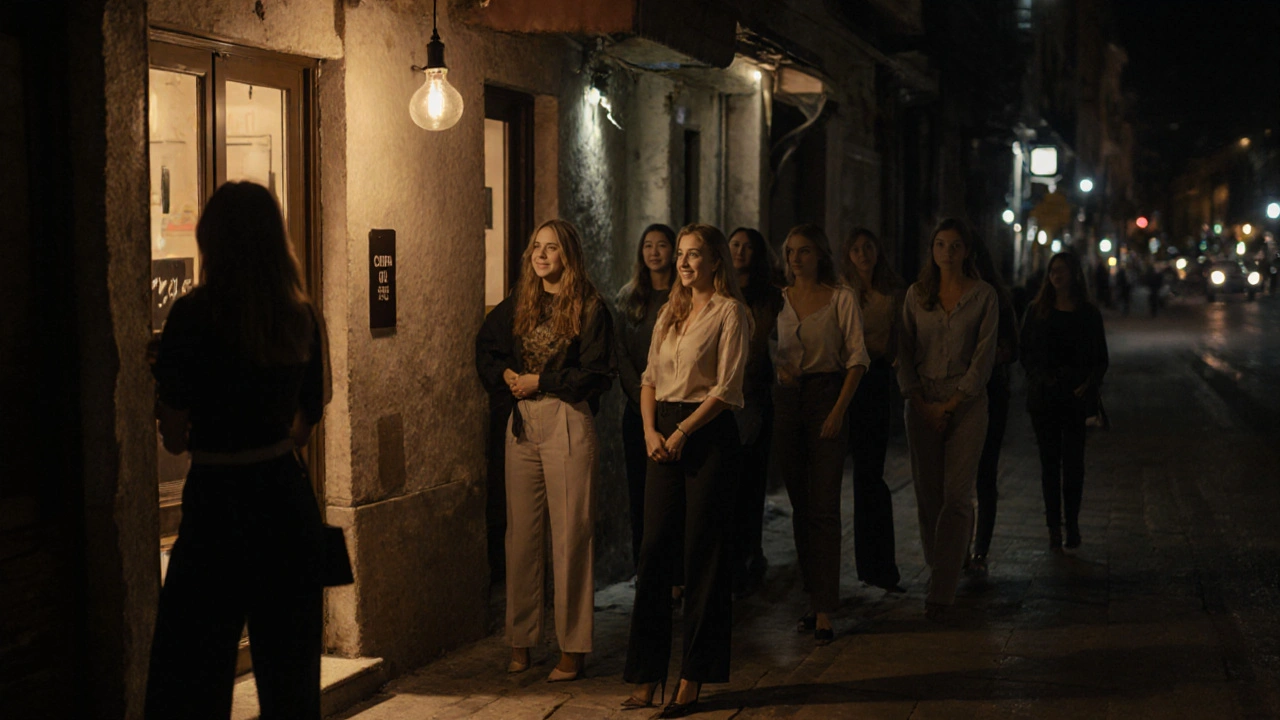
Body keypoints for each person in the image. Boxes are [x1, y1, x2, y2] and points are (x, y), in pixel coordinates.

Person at [146, 181, 330, 719]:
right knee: (291, 686)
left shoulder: (192, 316)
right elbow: (301, 427)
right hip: (284, 502)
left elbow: (175, 437)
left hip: (217, 506)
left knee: (192, 684)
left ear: (210, 240)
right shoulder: (300, 317)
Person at [475, 219, 614, 682]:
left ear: (568, 256)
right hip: (523, 426)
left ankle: (572, 647)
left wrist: (543, 381)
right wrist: (508, 377)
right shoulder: (521, 302)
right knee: (522, 537)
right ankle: (521, 639)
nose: (541, 255)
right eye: (536, 247)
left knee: (571, 536)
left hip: (566, 419)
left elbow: (596, 373)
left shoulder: (591, 307)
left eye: (551, 248)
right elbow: (487, 347)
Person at [623, 224, 750, 718]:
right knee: (653, 551)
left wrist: (682, 434)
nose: (683, 262)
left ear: (715, 261)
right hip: (663, 431)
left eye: (694, 254)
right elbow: (650, 378)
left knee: (704, 555)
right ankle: (646, 673)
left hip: (708, 434)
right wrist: (653, 432)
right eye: (680, 254)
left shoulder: (729, 313)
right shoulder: (669, 312)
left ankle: (694, 673)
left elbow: (728, 388)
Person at [771, 224, 869, 644]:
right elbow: (766, 347)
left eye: (805, 251)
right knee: (801, 507)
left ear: (820, 255)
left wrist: (838, 411)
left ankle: (826, 607)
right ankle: (811, 598)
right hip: (789, 400)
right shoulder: (778, 301)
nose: (796, 258)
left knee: (825, 506)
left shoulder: (840, 298)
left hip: (828, 393)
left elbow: (857, 358)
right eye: (791, 251)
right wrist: (777, 368)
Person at [898, 218, 998, 621]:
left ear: (967, 251)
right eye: (940, 245)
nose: (947, 253)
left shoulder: (983, 296)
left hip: (967, 401)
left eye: (955, 245)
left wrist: (952, 404)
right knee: (929, 494)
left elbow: (984, 356)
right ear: (932, 250)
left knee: (957, 494)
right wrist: (922, 403)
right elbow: (902, 351)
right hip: (922, 399)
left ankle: (941, 589)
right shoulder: (916, 296)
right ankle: (942, 566)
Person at [1020, 251, 1108, 552]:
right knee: (1049, 464)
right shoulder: (1036, 310)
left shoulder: (1088, 313)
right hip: (1045, 398)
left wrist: (1088, 384)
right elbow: (1026, 353)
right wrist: (1039, 378)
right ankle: (1053, 527)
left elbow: (1100, 358)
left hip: (1074, 398)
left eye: (1063, 270)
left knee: (1073, 464)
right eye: (1053, 270)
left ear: (1074, 274)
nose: (1057, 275)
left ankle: (1072, 524)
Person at [840, 227, 905, 594]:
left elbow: (898, 341)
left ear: (878, 251)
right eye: (856, 248)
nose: (863, 254)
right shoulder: (841, 291)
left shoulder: (892, 294)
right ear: (848, 255)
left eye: (868, 247)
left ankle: (879, 566)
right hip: (843, 379)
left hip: (875, 379)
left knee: (870, 475)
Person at [615, 223, 677, 572]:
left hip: (675, 407)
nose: (654, 252)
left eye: (662, 245)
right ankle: (646, 572)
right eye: (648, 245)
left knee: (670, 497)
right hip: (637, 411)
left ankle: (675, 574)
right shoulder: (628, 297)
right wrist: (641, 398)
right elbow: (621, 354)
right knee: (640, 494)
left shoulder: (683, 296)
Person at [726, 226, 783, 599]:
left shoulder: (771, 299)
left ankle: (749, 554)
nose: (741, 252)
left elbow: (773, 349)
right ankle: (731, 561)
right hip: (722, 400)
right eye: (735, 245)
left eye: (748, 247)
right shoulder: (720, 293)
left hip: (755, 397)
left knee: (750, 481)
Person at [968, 242, 1019, 577]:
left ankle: (979, 549)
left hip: (990, 391)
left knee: (985, 471)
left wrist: (991, 357)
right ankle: (959, 545)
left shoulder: (997, 298)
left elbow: (1012, 347)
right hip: (955, 392)